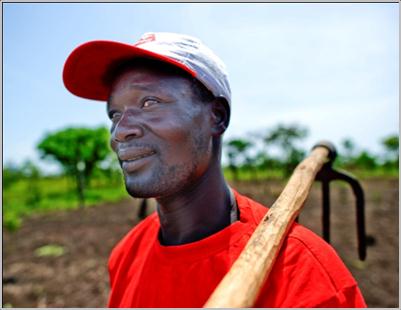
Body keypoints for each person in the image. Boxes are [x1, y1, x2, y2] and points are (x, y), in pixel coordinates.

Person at [63, 32, 367, 308]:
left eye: (149, 102)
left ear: (217, 117)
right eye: (115, 114)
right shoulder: (127, 254)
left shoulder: (306, 277)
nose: (120, 131)